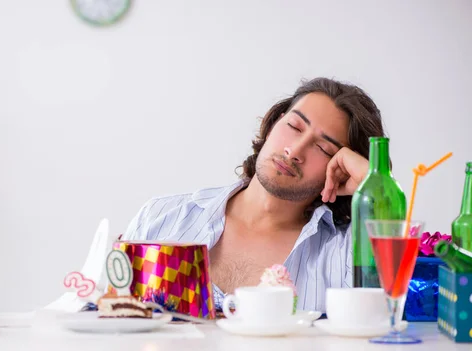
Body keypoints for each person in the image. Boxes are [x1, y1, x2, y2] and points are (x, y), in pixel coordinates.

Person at [120, 77, 383, 312]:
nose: (294, 151)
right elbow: (109, 321)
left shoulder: (345, 252)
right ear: (273, 124)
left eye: (323, 148)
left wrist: (373, 185)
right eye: (294, 126)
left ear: (341, 169)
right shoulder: (160, 217)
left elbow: (381, 330)